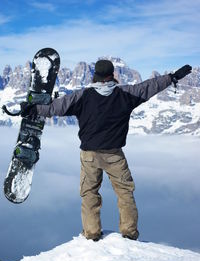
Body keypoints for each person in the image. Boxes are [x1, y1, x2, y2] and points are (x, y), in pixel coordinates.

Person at [21, 60, 192, 241]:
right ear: (112, 75)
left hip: (89, 155)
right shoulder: (126, 94)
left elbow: (57, 107)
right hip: (114, 155)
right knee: (125, 191)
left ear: (96, 75)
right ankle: (129, 232)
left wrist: (33, 109)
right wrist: (172, 77)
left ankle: (92, 233)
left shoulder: (82, 96)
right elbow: (149, 87)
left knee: (89, 193)